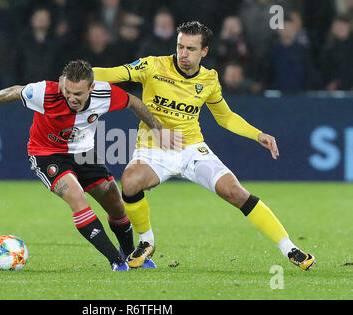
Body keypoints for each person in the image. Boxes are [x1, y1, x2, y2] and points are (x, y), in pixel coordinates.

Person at [93, 21, 315, 270]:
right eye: (180, 47)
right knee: (131, 181)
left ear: (204, 51)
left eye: (190, 48)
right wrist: (78, 76)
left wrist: (257, 134)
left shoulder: (209, 79)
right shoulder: (153, 65)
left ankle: (290, 249)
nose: (183, 54)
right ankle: (146, 241)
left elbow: (225, 116)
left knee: (235, 192)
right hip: (153, 148)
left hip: (191, 149)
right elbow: (111, 73)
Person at [0, 60, 173, 271]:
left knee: (114, 201)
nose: (72, 98)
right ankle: (117, 261)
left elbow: (134, 102)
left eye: (78, 94)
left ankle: (130, 254)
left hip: (83, 153)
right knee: (77, 197)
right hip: (47, 155)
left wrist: (157, 129)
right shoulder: (44, 92)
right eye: (68, 91)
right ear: (61, 83)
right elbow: (14, 91)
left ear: (92, 88)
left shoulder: (104, 94)